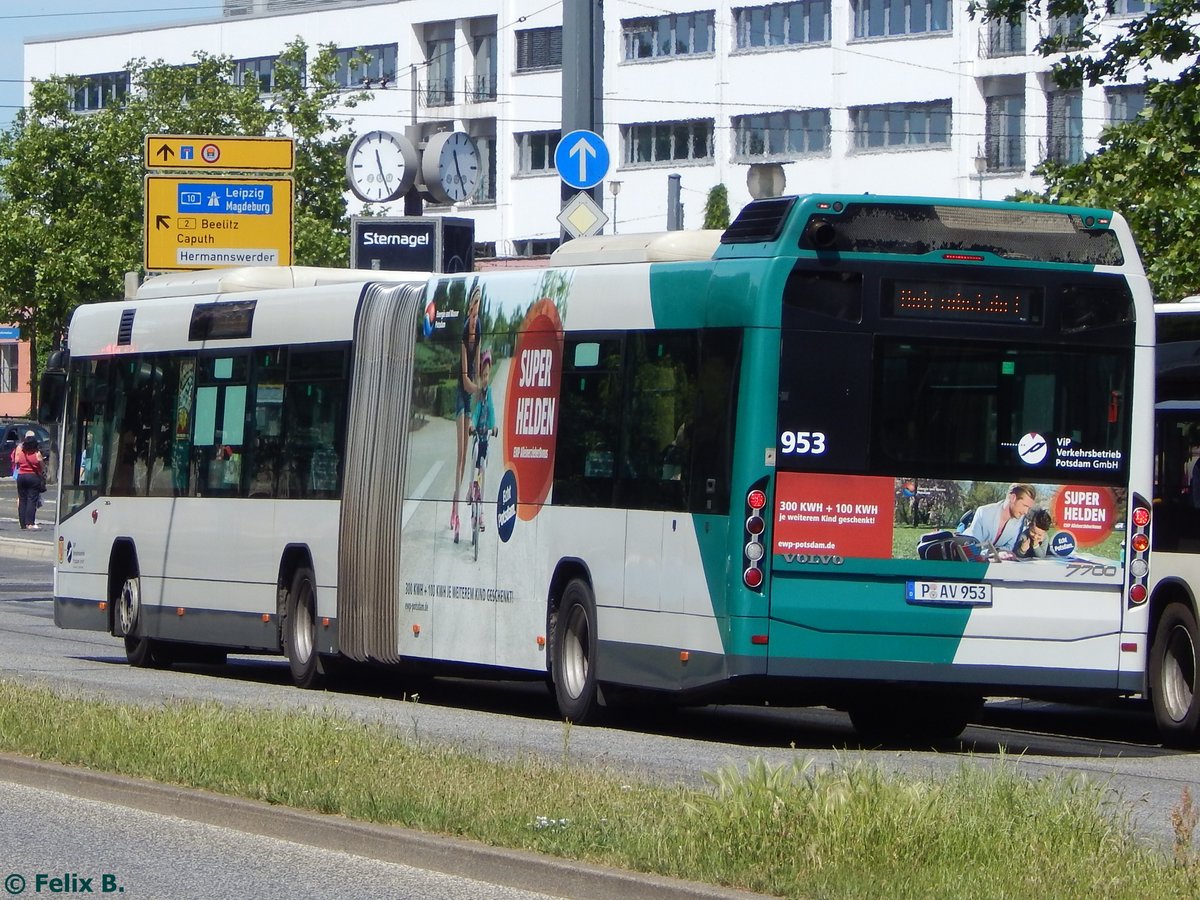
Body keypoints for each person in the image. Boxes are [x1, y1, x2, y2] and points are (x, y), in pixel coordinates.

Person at [451, 286, 483, 541]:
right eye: (475, 305)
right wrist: (478, 387)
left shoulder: (479, 328)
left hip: (471, 390)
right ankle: (453, 509)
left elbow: (476, 367)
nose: (476, 312)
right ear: (470, 307)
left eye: (479, 306)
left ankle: (472, 497)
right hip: (462, 393)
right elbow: (465, 380)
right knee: (460, 456)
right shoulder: (464, 331)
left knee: (473, 449)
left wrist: (483, 384)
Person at [965, 483, 1037, 552]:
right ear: (1013, 498)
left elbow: (1010, 548)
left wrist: (999, 552)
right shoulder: (984, 512)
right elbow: (973, 547)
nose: (1026, 512)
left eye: (1028, 508)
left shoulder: (1019, 521)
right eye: (1025, 506)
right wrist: (994, 553)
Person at [471, 351, 497, 528]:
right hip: (477, 437)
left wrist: (493, 426)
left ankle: (482, 512)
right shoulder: (479, 395)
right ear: (480, 377)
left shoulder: (490, 394)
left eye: (488, 375)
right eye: (483, 376)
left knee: (483, 469)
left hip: (485, 438)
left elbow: (492, 411)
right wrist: (472, 425)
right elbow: (475, 414)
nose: (486, 379)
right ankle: (469, 490)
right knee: (473, 460)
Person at [11, 430, 46, 531]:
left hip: (21, 476)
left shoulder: (21, 452)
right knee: (32, 499)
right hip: (33, 477)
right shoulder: (36, 453)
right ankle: (29, 522)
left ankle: (22, 523)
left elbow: (17, 461)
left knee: (22, 500)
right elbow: (41, 465)